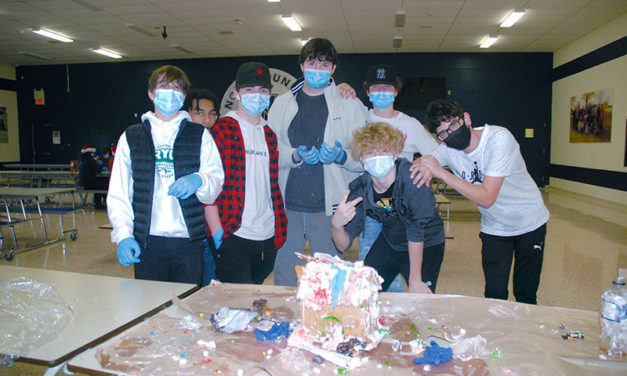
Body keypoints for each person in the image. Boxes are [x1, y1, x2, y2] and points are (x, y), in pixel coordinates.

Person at [411, 98, 549, 304]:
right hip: (495, 226)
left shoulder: (499, 139)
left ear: (466, 118)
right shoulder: (447, 147)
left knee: (525, 293)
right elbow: (422, 163)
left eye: (454, 125)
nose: (451, 134)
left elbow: (487, 197)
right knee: (494, 294)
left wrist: (443, 174)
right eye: (443, 134)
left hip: (529, 221)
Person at [107, 65, 224, 284]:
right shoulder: (132, 137)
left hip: (188, 241)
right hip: (147, 241)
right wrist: (123, 235)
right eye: (164, 87)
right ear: (151, 93)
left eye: (177, 88)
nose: (170, 93)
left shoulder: (199, 135)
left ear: (183, 96)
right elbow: (119, 192)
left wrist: (199, 180)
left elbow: (215, 181)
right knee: (151, 308)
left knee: (187, 306)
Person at [268, 37, 367, 287]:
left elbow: (364, 157)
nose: (318, 70)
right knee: (285, 276)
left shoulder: (350, 103)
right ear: (301, 66)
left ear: (333, 69)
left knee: (332, 280)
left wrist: (341, 156)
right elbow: (272, 151)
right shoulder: (282, 103)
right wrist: (295, 155)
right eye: (312, 63)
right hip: (287, 205)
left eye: (325, 65)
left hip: (328, 208)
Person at [331, 122, 445, 293]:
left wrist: (415, 280)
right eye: (370, 152)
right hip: (391, 242)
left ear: (395, 154)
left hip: (426, 243)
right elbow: (342, 246)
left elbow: (416, 230)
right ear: (361, 158)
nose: (377, 157)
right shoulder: (359, 189)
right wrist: (336, 226)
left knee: (422, 300)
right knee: (364, 292)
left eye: (384, 151)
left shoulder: (414, 179)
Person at [358, 64, 439, 292]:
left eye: (387, 88)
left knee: (404, 261)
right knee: (372, 274)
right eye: (376, 88)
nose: (381, 92)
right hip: (372, 206)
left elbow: (437, 154)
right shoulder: (359, 118)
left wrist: (424, 165)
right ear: (367, 92)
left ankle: (398, 318)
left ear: (396, 91)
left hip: (403, 208)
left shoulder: (410, 125)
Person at [209, 61, 287, 284]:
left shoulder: (269, 133)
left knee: (255, 298)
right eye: (249, 90)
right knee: (237, 302)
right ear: (236, 94)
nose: (257, 95)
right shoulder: (223, 130)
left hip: (268, 235)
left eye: (262, 90)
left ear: (270, 94)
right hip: (234, 232)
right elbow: (209, 186)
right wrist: (218, 233)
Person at [184, 88, 221, 286]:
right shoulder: (179, 144)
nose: (207, 119)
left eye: (212, 113)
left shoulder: (215, 143)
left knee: (209, 288)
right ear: (187, 112)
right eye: (200, 112)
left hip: (209, 234)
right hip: (185, 233)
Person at [78, 143, 107, 209]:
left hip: (83, 182)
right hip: (88, 182)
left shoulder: (82, 159)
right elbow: (97, 168)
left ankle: (98, 204)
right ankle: (102, 203)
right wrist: (101, 167)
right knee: (105, 185)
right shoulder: (89, 159)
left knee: (99, 184)